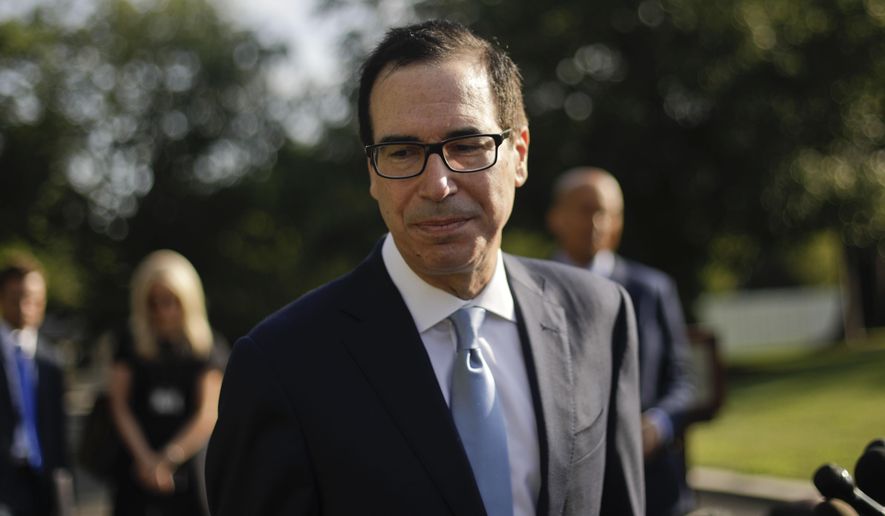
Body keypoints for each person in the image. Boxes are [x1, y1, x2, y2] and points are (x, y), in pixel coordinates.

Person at [206, 20, 644, 516]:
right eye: (402, 152)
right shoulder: (281, 366)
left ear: (518, 154)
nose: (438, 184)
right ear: (372, 172)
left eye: (465, 145)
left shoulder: (598, 316)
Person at [547, 167, 696, 516]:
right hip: (563, 488)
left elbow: (684, 381)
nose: (598, 222)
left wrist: (656, 426)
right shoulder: (529, 290)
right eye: (586, 209)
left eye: (609, 213)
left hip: (651, 484)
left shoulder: (653, 290)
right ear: (556, 217)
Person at [108, 250, 225, 516]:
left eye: (171, 301)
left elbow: (208, 414)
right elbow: (119, 405)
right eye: (154, 302)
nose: (163, 311)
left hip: (188, 468)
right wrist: (146, 459)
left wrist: (168, 458)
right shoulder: (129, 343)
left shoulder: (207, 348)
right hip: (136, 467)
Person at [0, 258, 71, 516]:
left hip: (43, 479)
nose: (24, 305)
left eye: (31, 297)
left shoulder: (52, 360)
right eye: (15, 296)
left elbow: (58, 428)